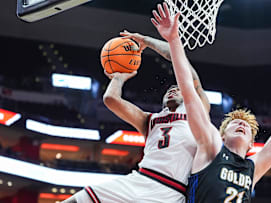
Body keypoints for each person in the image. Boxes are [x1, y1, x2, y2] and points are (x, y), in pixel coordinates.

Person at [151, 3, 271, 203]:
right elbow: (189, 92)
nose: (241, 124)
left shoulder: (253, 168)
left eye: (247, 128)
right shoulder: (210, 147)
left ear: (251, 143)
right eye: (235, 123)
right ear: (222, 135)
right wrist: (173, 40)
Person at [62, 30, 210, 203]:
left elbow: (180, 61)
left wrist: (147, 41)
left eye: (177, 89)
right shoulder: (149, 120)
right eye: (169, 90)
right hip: (139, 179)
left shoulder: (196, 111)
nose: (172, 90)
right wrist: (118, 77)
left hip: (170, 191)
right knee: (77, 199)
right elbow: (111, 99)